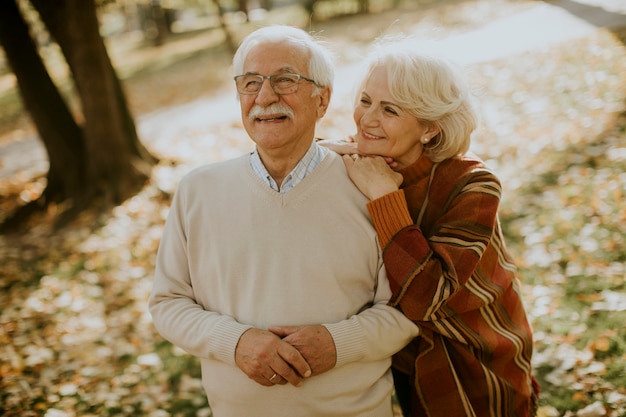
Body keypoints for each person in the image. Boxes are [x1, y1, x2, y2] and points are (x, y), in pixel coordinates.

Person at [148, 25, 418, 417]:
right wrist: (234, 341)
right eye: (250, 82)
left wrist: (337, 343)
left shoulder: (371, 188)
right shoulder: (197, 192)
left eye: (285, 80)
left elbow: (407, 309)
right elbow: (168, 303)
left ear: (322, 100)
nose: (264, 96)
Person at [321, 43, 539, 416]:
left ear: (429, 128)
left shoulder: (472, 184)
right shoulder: (357, 164)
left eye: (390, 109)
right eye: (365, 100)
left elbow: (428, 295)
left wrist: (383, 195)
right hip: (408, 358)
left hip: (478, 358)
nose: (367, 119)